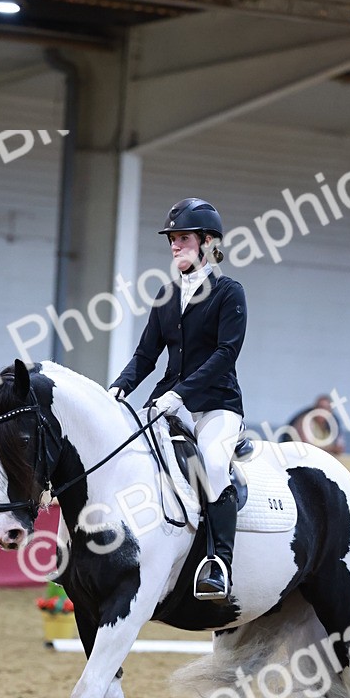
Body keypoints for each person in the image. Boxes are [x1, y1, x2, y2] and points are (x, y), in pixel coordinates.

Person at [109, 198, 246, 600]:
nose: (175, 246)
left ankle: (218, 564)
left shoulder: (228, 292)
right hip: (168, 403)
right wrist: (118, 389)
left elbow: (226, 354)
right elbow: (145, 355)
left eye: (183, 238)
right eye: (172, 239)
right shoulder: (166, 295)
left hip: (216, 406)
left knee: (214, 467)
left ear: (207, 242)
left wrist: (180, 394)